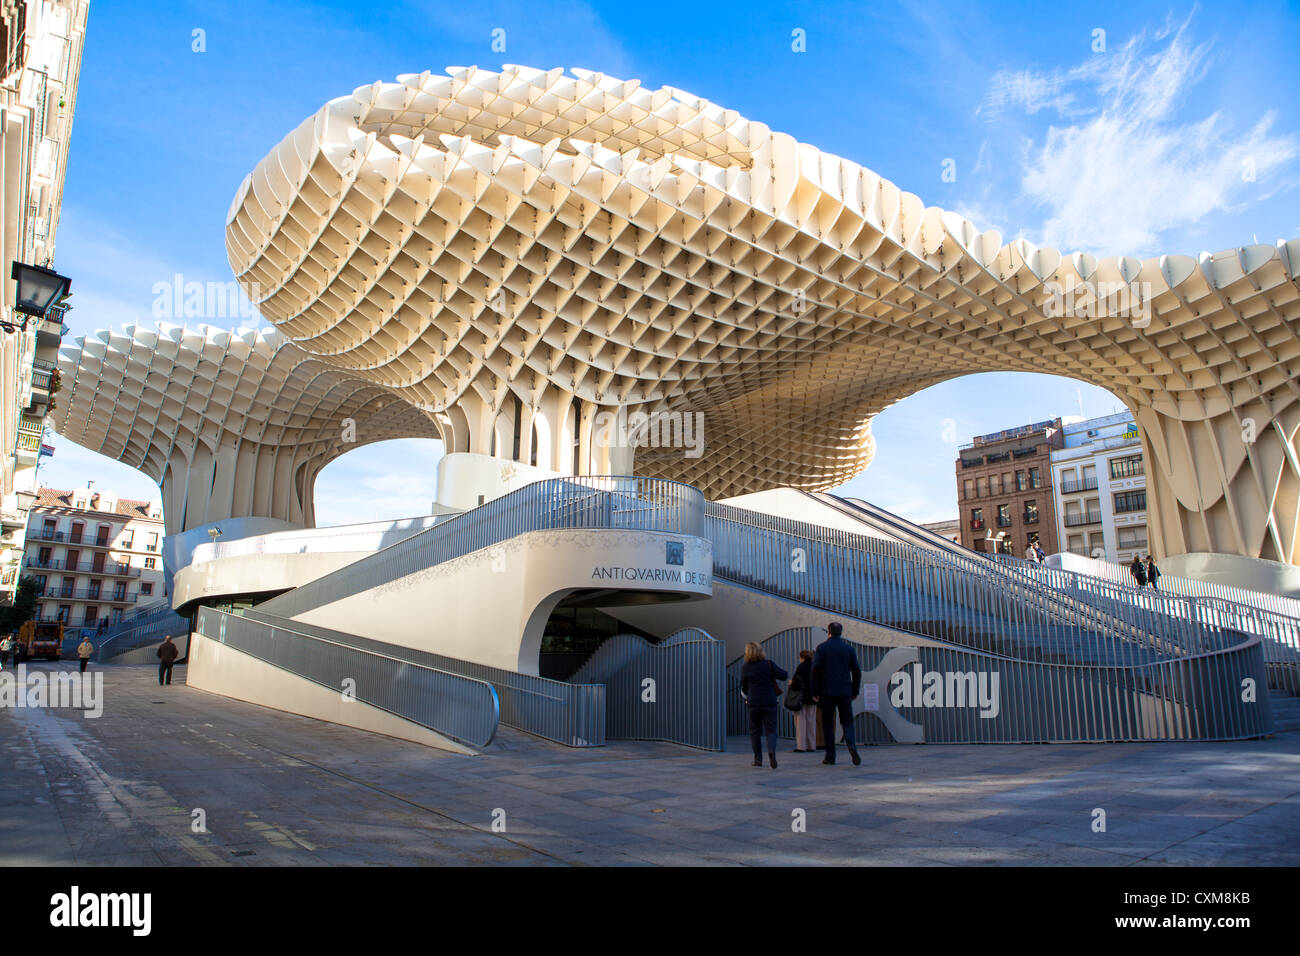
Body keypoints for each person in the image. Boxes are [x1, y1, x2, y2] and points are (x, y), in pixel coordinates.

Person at [811, 622, 862, 766]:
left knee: (828, 724)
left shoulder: (822, 648)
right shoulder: (848, 649)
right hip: (844, 692)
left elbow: (815, 671)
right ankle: (851, 745)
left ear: (828, 632)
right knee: (847, 722)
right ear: (841, 632)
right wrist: (854, 690)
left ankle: (830, 755)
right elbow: (856, 672)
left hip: (826, 692)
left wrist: (814, 691)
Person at [740, 641, 787, 769]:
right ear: (761, 651)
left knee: (755, 731)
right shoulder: (769, 664)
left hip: (754, 702)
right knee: (770, 729)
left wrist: (747, 695)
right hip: (769, 701)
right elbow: (784, 675)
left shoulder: (746, 667)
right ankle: (771, 751)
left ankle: (758, 759)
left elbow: (743, 686)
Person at [789, 649, 817, 753]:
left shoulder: (801, 668)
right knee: (811, 722)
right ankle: (812, 745)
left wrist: (791, 683)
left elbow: (796, 683)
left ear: (802, 657)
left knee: (800, 722)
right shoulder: (815, 667)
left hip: (801, 699)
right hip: (813, 698)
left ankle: (801, 746)